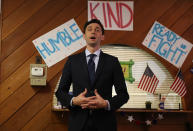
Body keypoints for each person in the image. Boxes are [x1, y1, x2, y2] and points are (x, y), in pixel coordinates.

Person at [55, 19, 129, 131]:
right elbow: (60, 92)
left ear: (102, 36)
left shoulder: (112, 62)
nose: (93, 32)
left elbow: (123, 94)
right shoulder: (72, 61)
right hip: (78, 124)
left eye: (97, 30)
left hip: (105, 124)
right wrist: (74, 101)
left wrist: (106, 103)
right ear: (84, 36)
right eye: (89, 30)